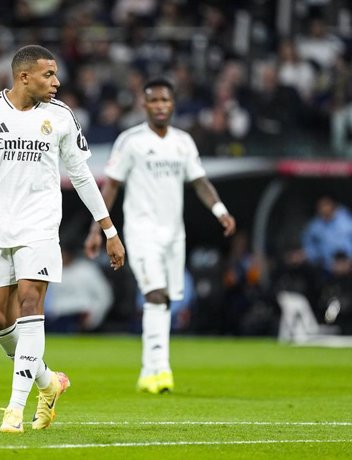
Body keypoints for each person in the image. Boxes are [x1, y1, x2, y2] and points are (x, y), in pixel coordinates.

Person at [0, 45, 125, 433]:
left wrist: (109, 230)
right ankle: (49, 383)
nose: (57, 81)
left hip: (40, 228)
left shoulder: (62, 117)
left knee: (31, 303)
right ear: (23, 77)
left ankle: (15, 410)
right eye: (49, 75)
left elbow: (83, 177)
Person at [84, 78, 236, 394]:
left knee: (165, 299)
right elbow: (111, 185)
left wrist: (220, 210)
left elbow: (200, 181)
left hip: (173, 234)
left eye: (165, 100)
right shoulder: (131, 141)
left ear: (173, 103)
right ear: (144, 105)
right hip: (141, 231)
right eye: (153, 101)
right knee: (153, 293)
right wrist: (96, 229)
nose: (160, 106)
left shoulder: (183, 142)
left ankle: (148, 371)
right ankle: (162, 370)